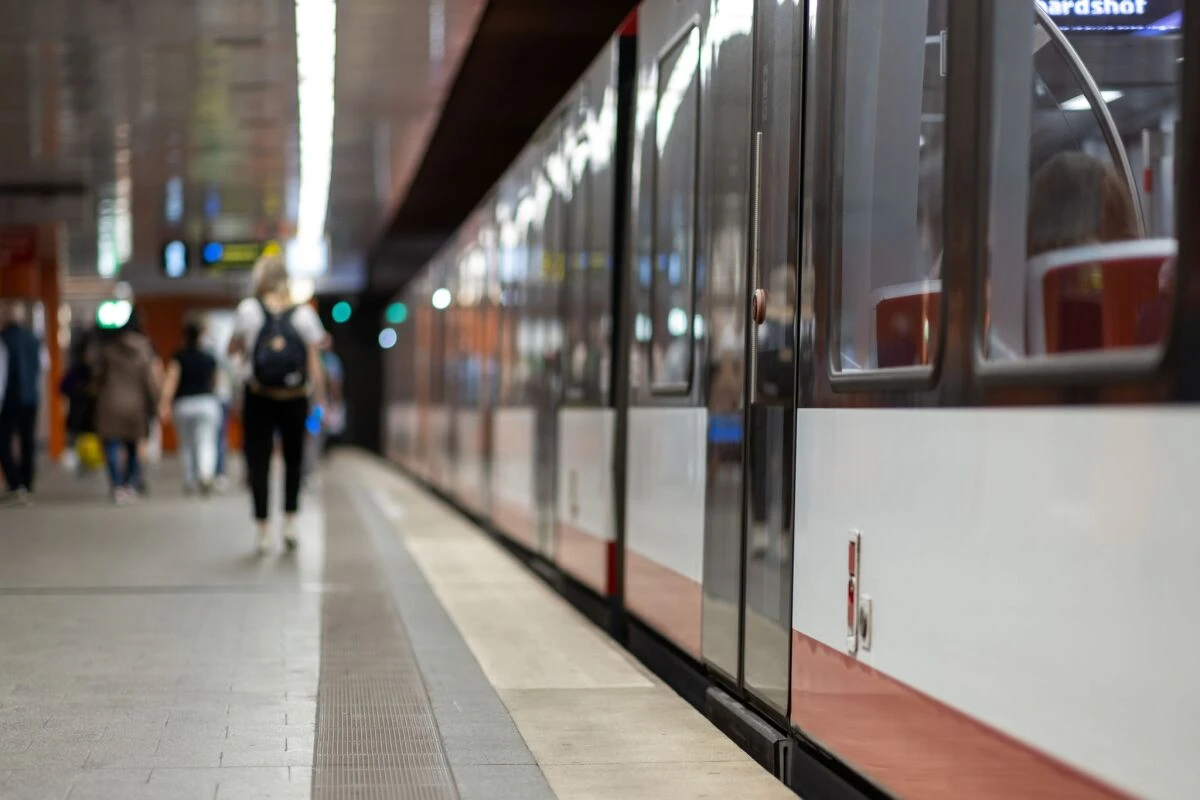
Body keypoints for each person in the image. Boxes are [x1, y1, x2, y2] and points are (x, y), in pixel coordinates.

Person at [229, 254, 326, 554]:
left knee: (259, 461)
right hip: (294, 398)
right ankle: (291, 522)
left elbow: (233, 349)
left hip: (258, 395)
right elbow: (314, 361)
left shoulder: (248, 310)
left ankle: (263, 530)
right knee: (294, 459)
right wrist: (318, 398)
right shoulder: (303, 314)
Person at [92, 317, 159, 504]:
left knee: (112, 445)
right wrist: (154, 404)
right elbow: (149, 382)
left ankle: (117, 485)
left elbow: (97, 378)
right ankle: (129, 484)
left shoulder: (108, 351)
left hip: (110, 403)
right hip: (135, 407)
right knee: (131, 447)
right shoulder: (143, 352)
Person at [159, 317, 221, 495]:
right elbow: (216, 382)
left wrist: (164, 402)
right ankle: (205, 474)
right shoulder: (209, 357)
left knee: (186, 444)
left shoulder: (179, 356)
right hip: (207, 402)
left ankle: (190, 479)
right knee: (206, 441)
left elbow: (171, 380)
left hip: (183, 404)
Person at [0, 301, 42, 505]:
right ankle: (27, 482)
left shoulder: (3, 339)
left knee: (4, 441)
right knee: (28, 441)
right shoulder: (33, 340)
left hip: (9, 399)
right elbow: (44, 366)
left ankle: (15, 482)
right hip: (31, 398)